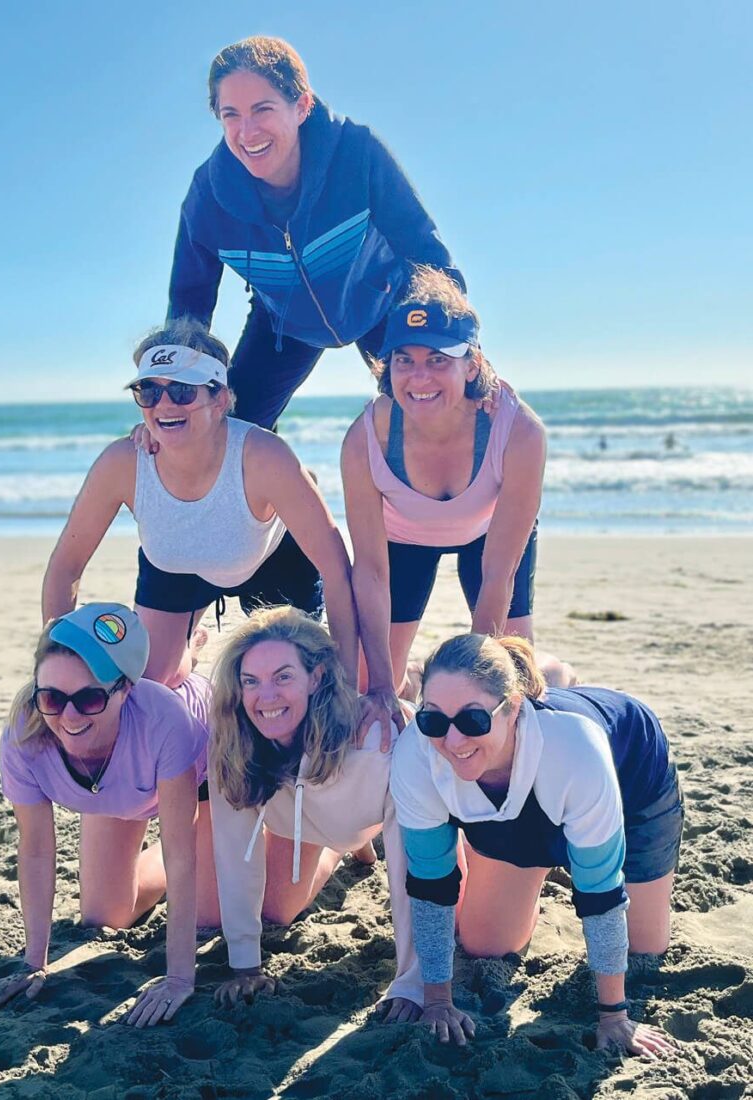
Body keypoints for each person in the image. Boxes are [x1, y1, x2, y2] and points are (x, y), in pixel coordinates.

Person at [390, 632, 682, 1055]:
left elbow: (600, 891)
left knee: (644, 949)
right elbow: (430, 886)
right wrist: (437, 1001)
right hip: (517, 805)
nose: (453, 742)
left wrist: (614, 1015)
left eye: (473, 720)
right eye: (434, 719)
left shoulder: (575, 748)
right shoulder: (416, 755)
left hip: (632, 782)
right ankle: (533, 870)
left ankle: (558, 675)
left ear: (513, 708)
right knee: (484, 944)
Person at [42, 318, 360, 691]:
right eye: (149, 391)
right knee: (150, 683)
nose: (163, 404)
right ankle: (189, 651)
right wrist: (52, 666)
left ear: (220, 398)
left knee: (293, 684)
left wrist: (349, 683)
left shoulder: (264, 457)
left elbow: (337, 568)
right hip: (178, 564)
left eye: (181, 391)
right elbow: (66, 565)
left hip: (271, 561)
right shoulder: (122, 463)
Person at [167, 35, 465, 429]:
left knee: (439, 415)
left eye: (263, 109)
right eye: (231, 115)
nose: (247, 131)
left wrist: (462, 349)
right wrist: (172, 393)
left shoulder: (357, 153)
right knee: (229, 434)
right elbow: (188, 306)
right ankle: (290, 489)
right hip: (284, 324)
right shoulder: (208, 197)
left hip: (382, 302)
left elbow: (425, 253)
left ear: (302, 105)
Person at [0, 603, 214, 1028]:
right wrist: (33, 962)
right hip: (119, 792)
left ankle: (351, 832)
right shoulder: (24, 736)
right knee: (107, 914)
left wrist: (178, 977)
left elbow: (180, 854)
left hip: (206, 777)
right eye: (51, 697)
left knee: (222, 917)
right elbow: (37, 851)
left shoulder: (164, 717)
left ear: (125, 690)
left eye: (90, 697)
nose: (69, 716)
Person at [342, 266, 567, 720]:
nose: (418, 377)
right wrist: (383, 689)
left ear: (473, 364)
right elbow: (368, 569)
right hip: (403, 540)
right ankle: (411, 681)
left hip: (488, 537)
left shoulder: (519, 432)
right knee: (369, 686)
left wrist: (475, 681)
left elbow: (499, 573)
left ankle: (561, 673)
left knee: (515, 679)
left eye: (438, 360)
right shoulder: (366, 437)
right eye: (404, 360)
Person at [207, 605, 423, 1016]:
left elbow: (409, 865)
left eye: (283, 677)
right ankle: (347, 846)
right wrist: (245, 966)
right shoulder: (232, 738)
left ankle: (416, 678)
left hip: (384, 816)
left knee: (478, 936)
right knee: (275, 911)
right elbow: (235, 849)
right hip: (309, 823)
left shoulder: (375, 744)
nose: (265, 697)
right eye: (250, 681)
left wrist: (413, 980)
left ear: (317, 676)